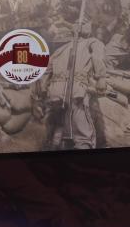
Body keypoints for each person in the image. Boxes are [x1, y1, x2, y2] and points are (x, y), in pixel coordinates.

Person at [36, 21, 108, 149]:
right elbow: (97, 57)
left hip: (55, 92)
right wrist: (101, 77)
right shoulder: (93, 42)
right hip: (75, 91)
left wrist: (43, 89)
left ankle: (55, 146)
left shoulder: (59, 50)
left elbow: (46, 71)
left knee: (59, 129)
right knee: (83, 136)